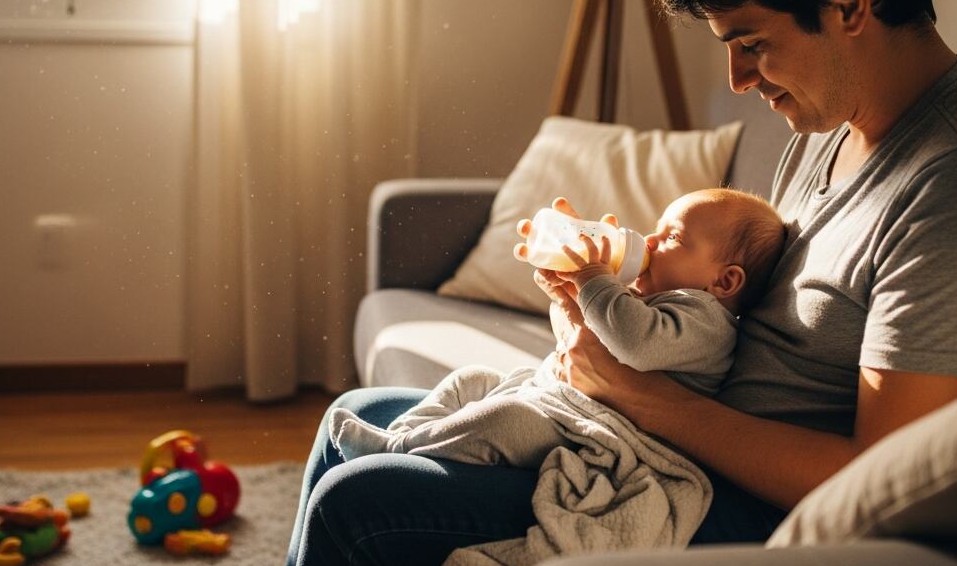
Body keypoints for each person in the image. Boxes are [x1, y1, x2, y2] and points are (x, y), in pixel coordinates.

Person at [278, 0, 957, 566]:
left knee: (363, 507)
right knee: (352, 418)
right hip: (660, 445)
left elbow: (887, 479)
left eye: (752, 43)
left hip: (736, 508)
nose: (738, 80)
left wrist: (640, 397)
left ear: (847, 3)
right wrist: (608, 298)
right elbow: (727, 299)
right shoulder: (833, 129)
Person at [328, 189, 785, 467]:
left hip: (592, 429)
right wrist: (567, 285)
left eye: (672, 238)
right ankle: (399, 438)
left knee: (500, 420)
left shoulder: (705, 323)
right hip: (559, 398)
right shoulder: (656, 298)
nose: (648, 241)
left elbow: (635, 343)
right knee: (471, 381)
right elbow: (590, 334)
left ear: (724, 281)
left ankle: (402, 450)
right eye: (656, 228)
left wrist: (593, 279)